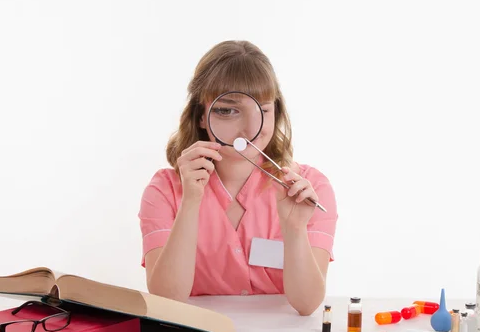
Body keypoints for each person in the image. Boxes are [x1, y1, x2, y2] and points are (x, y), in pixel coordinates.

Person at [138, 40, 338, 316]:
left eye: (263, 110)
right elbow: (167, 298)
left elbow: (307, 304)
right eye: (227, 110)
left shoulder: (310, 188)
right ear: (200, 116)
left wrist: (294, 230)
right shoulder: (165, 190)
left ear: (276, 113)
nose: (248, 128)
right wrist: (191, 202)